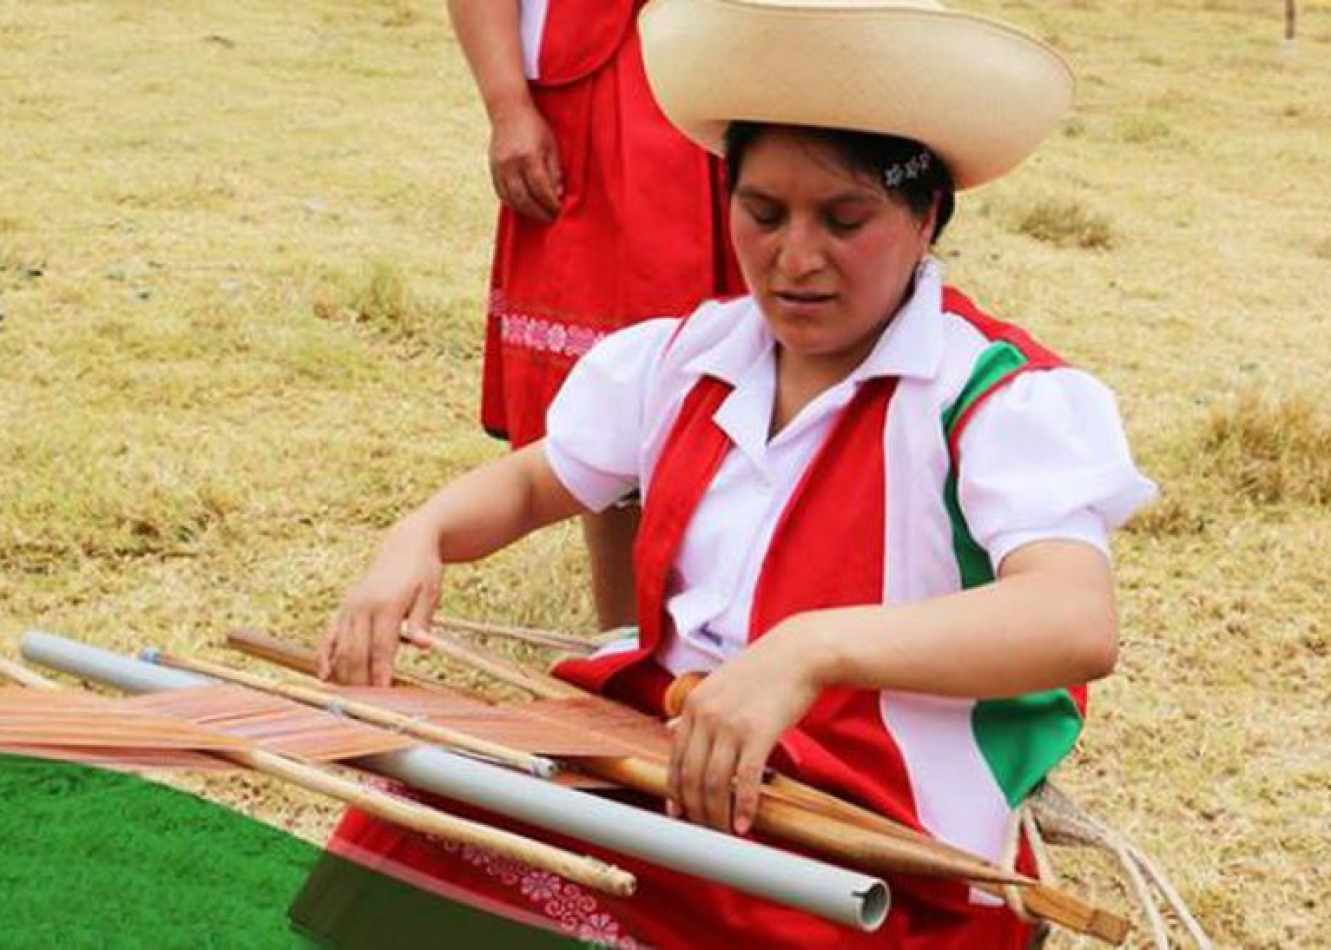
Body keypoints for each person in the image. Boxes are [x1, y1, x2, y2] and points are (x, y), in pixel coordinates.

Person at [319, 0, 1156, 945]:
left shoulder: (990, 397)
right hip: (661, 771)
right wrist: (416, 538)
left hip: (863, 837)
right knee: (418, 831)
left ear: (925, 218)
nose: (796, 259)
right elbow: (530, 483)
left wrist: (808, 652)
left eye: (845, 219)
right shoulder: (686, 360)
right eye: (762, 214)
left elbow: (1072, 620)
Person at [448, 0, 742, 629]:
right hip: (603, 89)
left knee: (781, 381)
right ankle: (630, 649)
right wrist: (508, 107)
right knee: (626, 401)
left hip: (752, 72)